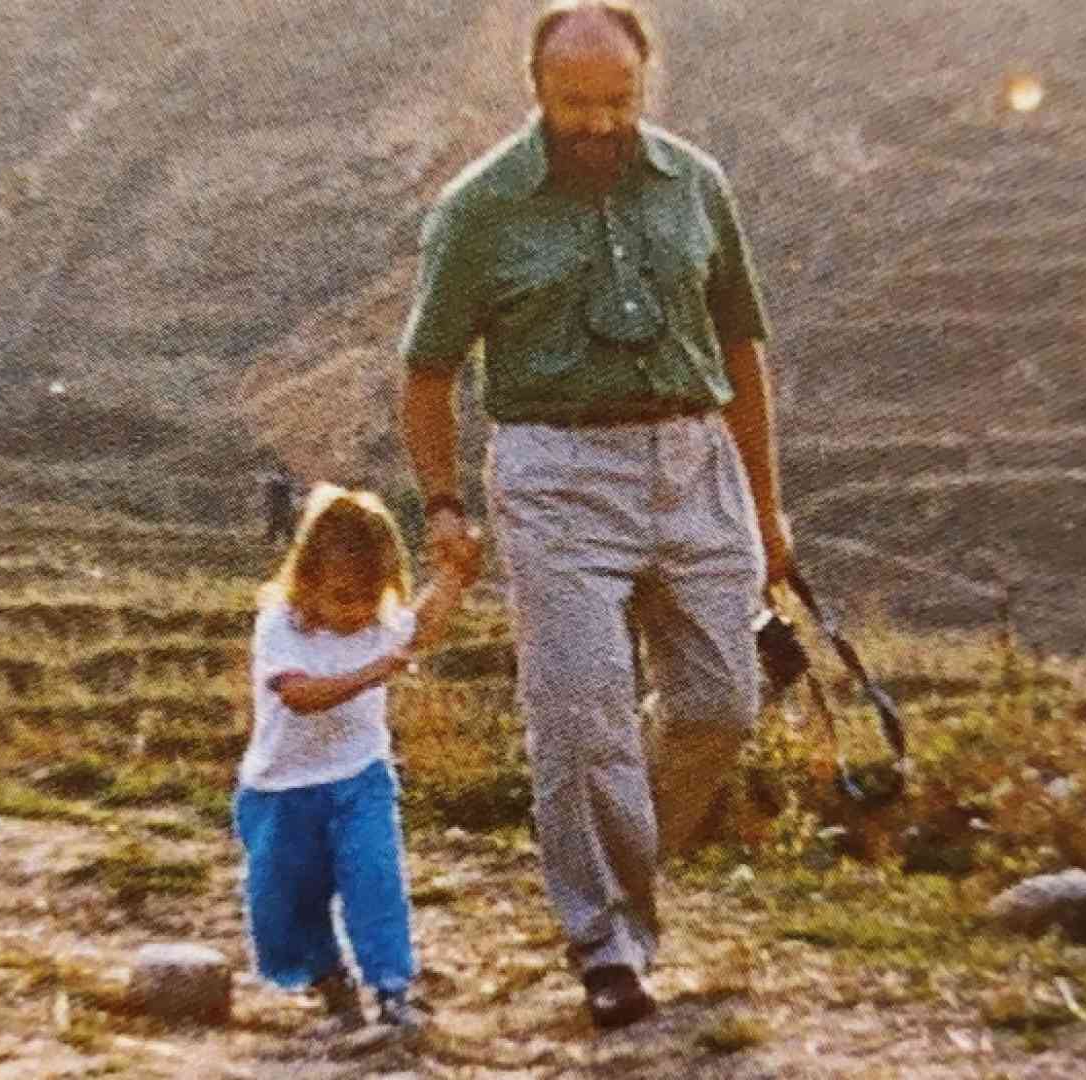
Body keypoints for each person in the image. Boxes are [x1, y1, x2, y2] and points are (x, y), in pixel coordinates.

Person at [397, 0, 794, 1029]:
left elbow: (742, 348)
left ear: (643, 85)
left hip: (695, 459)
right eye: (577, 104)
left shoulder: (697, 184)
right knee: (582, 716)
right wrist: (442, 502)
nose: (600, 123)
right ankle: (609, 944)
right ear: (537, 91)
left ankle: (622, 861)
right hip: (557, 470)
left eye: (618, 100)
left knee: (722, 705)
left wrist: (767, 508)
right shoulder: (478, 208)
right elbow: (428, 373)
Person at [235, 482, 483, 1033]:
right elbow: (299, 695)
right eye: (345, 597)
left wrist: (454, 575)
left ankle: (393, 987)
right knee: (283, 901)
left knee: (375, 878)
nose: (359, 612)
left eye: (372, 596)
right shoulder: (280, 626)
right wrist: (373, 673)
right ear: (307, 581)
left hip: (360, 777)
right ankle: (326, 975)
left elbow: (421, 625)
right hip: (281, 789)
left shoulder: (377, 622)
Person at [263, 467, 295, 544]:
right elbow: (270, 493)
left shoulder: (282, 480)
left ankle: (287, 538)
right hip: (279, 505)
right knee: (277, 521)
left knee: (285, 522)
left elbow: (287, 492)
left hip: (282, 505)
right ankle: (272, 537)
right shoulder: (279, 480)